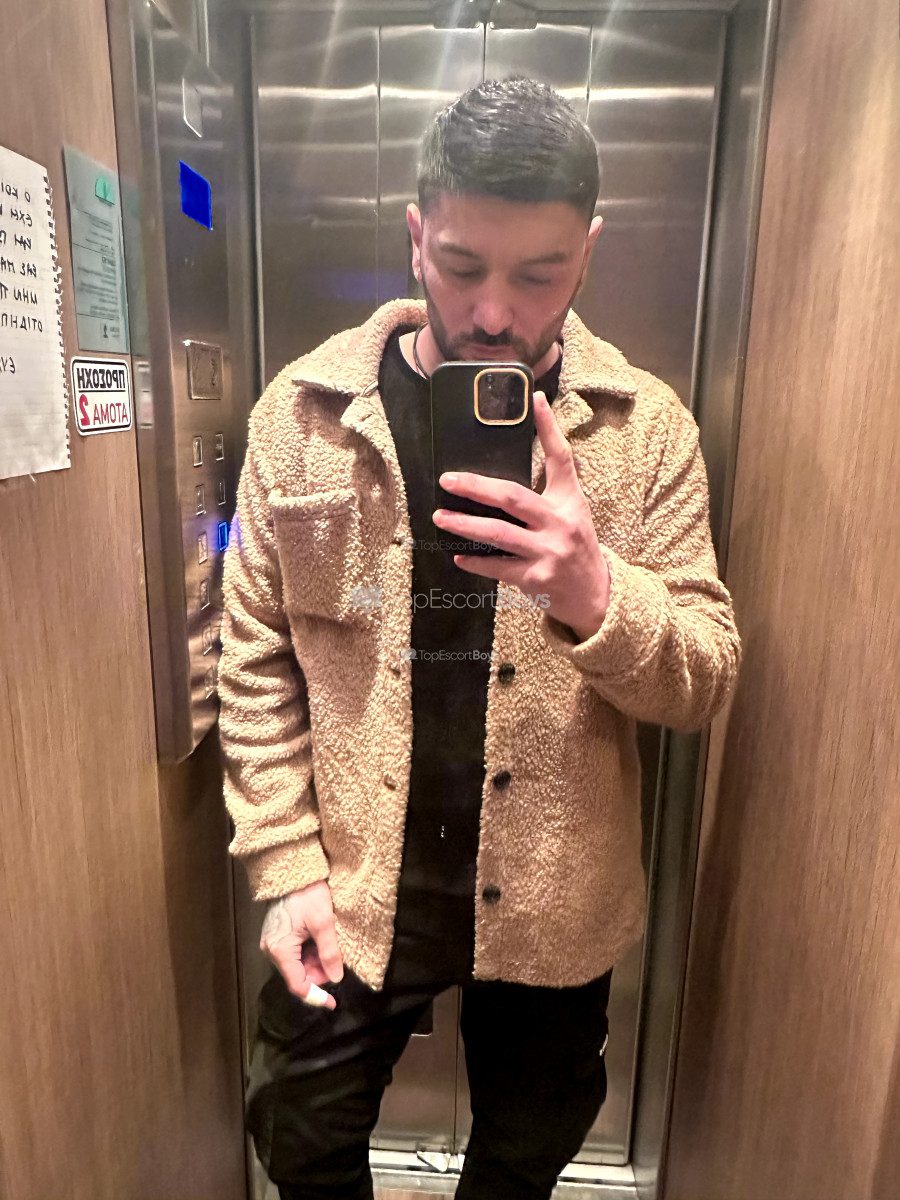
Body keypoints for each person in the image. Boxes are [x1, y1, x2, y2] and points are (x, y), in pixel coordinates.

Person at [218, 77, 741, 1200]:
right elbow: (255, 652)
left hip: (558, 906)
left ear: (588, 255)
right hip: (355, 887)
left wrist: (597, 594)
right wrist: (285, 863)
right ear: (416, 237)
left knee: (527, 1149)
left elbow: (704, 679)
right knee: (296, 1127)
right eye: (462, 266)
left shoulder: (647, 432)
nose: (495, 313)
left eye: (537, 275)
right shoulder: (301, 416)